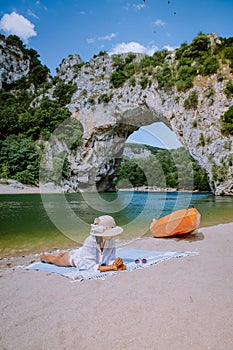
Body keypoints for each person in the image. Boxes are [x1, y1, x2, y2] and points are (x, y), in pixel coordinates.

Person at [40, 215, 126, 273]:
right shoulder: (90, 242)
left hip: (82, 252)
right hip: (74, 259)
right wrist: (113, 267)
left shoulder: (111, 240)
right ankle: (44, 257)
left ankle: (60, 254)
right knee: (55, 260)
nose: (113, 234)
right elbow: (91, 267)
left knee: (61, 256)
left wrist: (117, 262)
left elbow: (109, 260)